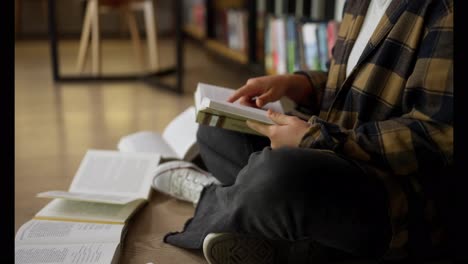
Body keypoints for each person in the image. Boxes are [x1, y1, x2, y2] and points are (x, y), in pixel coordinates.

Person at [152, 0, 453, 263]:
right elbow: (345, 79)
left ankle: (211, 194)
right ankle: (289, 230)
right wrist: (300, 83)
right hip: (334, 148)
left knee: (277, 175)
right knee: (215, 128)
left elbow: (435, 136)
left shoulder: (446, 11)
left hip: (393, 194)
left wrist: (313, 139)